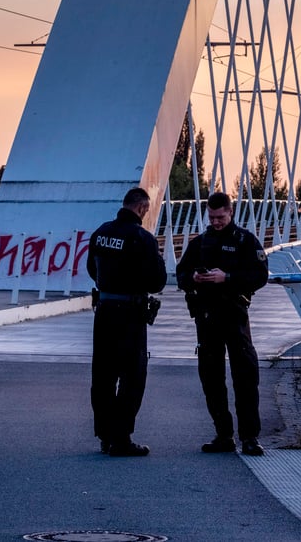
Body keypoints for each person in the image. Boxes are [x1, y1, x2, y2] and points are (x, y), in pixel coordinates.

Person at [176, 191, 269, 456]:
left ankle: (249, 437)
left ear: (231, 213)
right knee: (211, 378)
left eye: (221, 217)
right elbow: (181, 274)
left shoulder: (245, 241)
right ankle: (223, 434)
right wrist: (194, 277)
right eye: (212, 217)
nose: (216, 222)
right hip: (206, 318)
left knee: (245, 377)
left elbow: (260, 275)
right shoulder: (200, 243)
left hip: (235, 316)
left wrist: (226, 277)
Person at [86, 187, 167, 457]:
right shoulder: (142, 238)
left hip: (105, 310)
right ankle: (121, 438)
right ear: (143, 209)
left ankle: (105, 435)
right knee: (133, 376)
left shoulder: (101, 233)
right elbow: (157, 281)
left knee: (103, 374)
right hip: (130, 315)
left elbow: (91, 269)